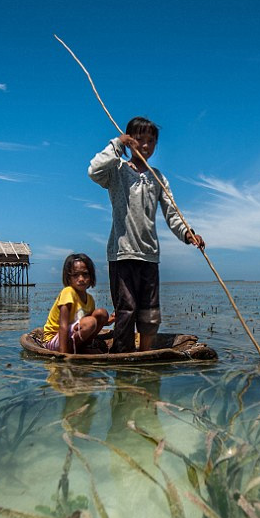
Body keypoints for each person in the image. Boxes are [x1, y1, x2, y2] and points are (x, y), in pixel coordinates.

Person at [89, 116, 204, 353]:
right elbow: (94, 169)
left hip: (149, 255)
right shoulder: (116, 171)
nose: (145, 145)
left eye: (151, 141)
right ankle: (123, 356)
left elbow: (173, 214)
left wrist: (188, 234)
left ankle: (146, 355)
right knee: (127, 309)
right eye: (138, 139)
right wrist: (117, 144)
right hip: (122, 254)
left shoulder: (158, 178)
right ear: (129, 141)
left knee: (150, 313)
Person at [42, 253, 114, 353]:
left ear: (91, 276)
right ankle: (71, 349)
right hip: (55, 340)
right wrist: (63, 354)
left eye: (85, 274)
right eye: (75, 275)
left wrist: (110, 319)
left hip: (71, 335)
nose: (81, 279)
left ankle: (84, 346)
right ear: (69, 278)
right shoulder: (68, 292)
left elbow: (92, 321)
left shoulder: (90, 299)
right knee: (90, 322)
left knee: (101, 313)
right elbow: (63, 326)